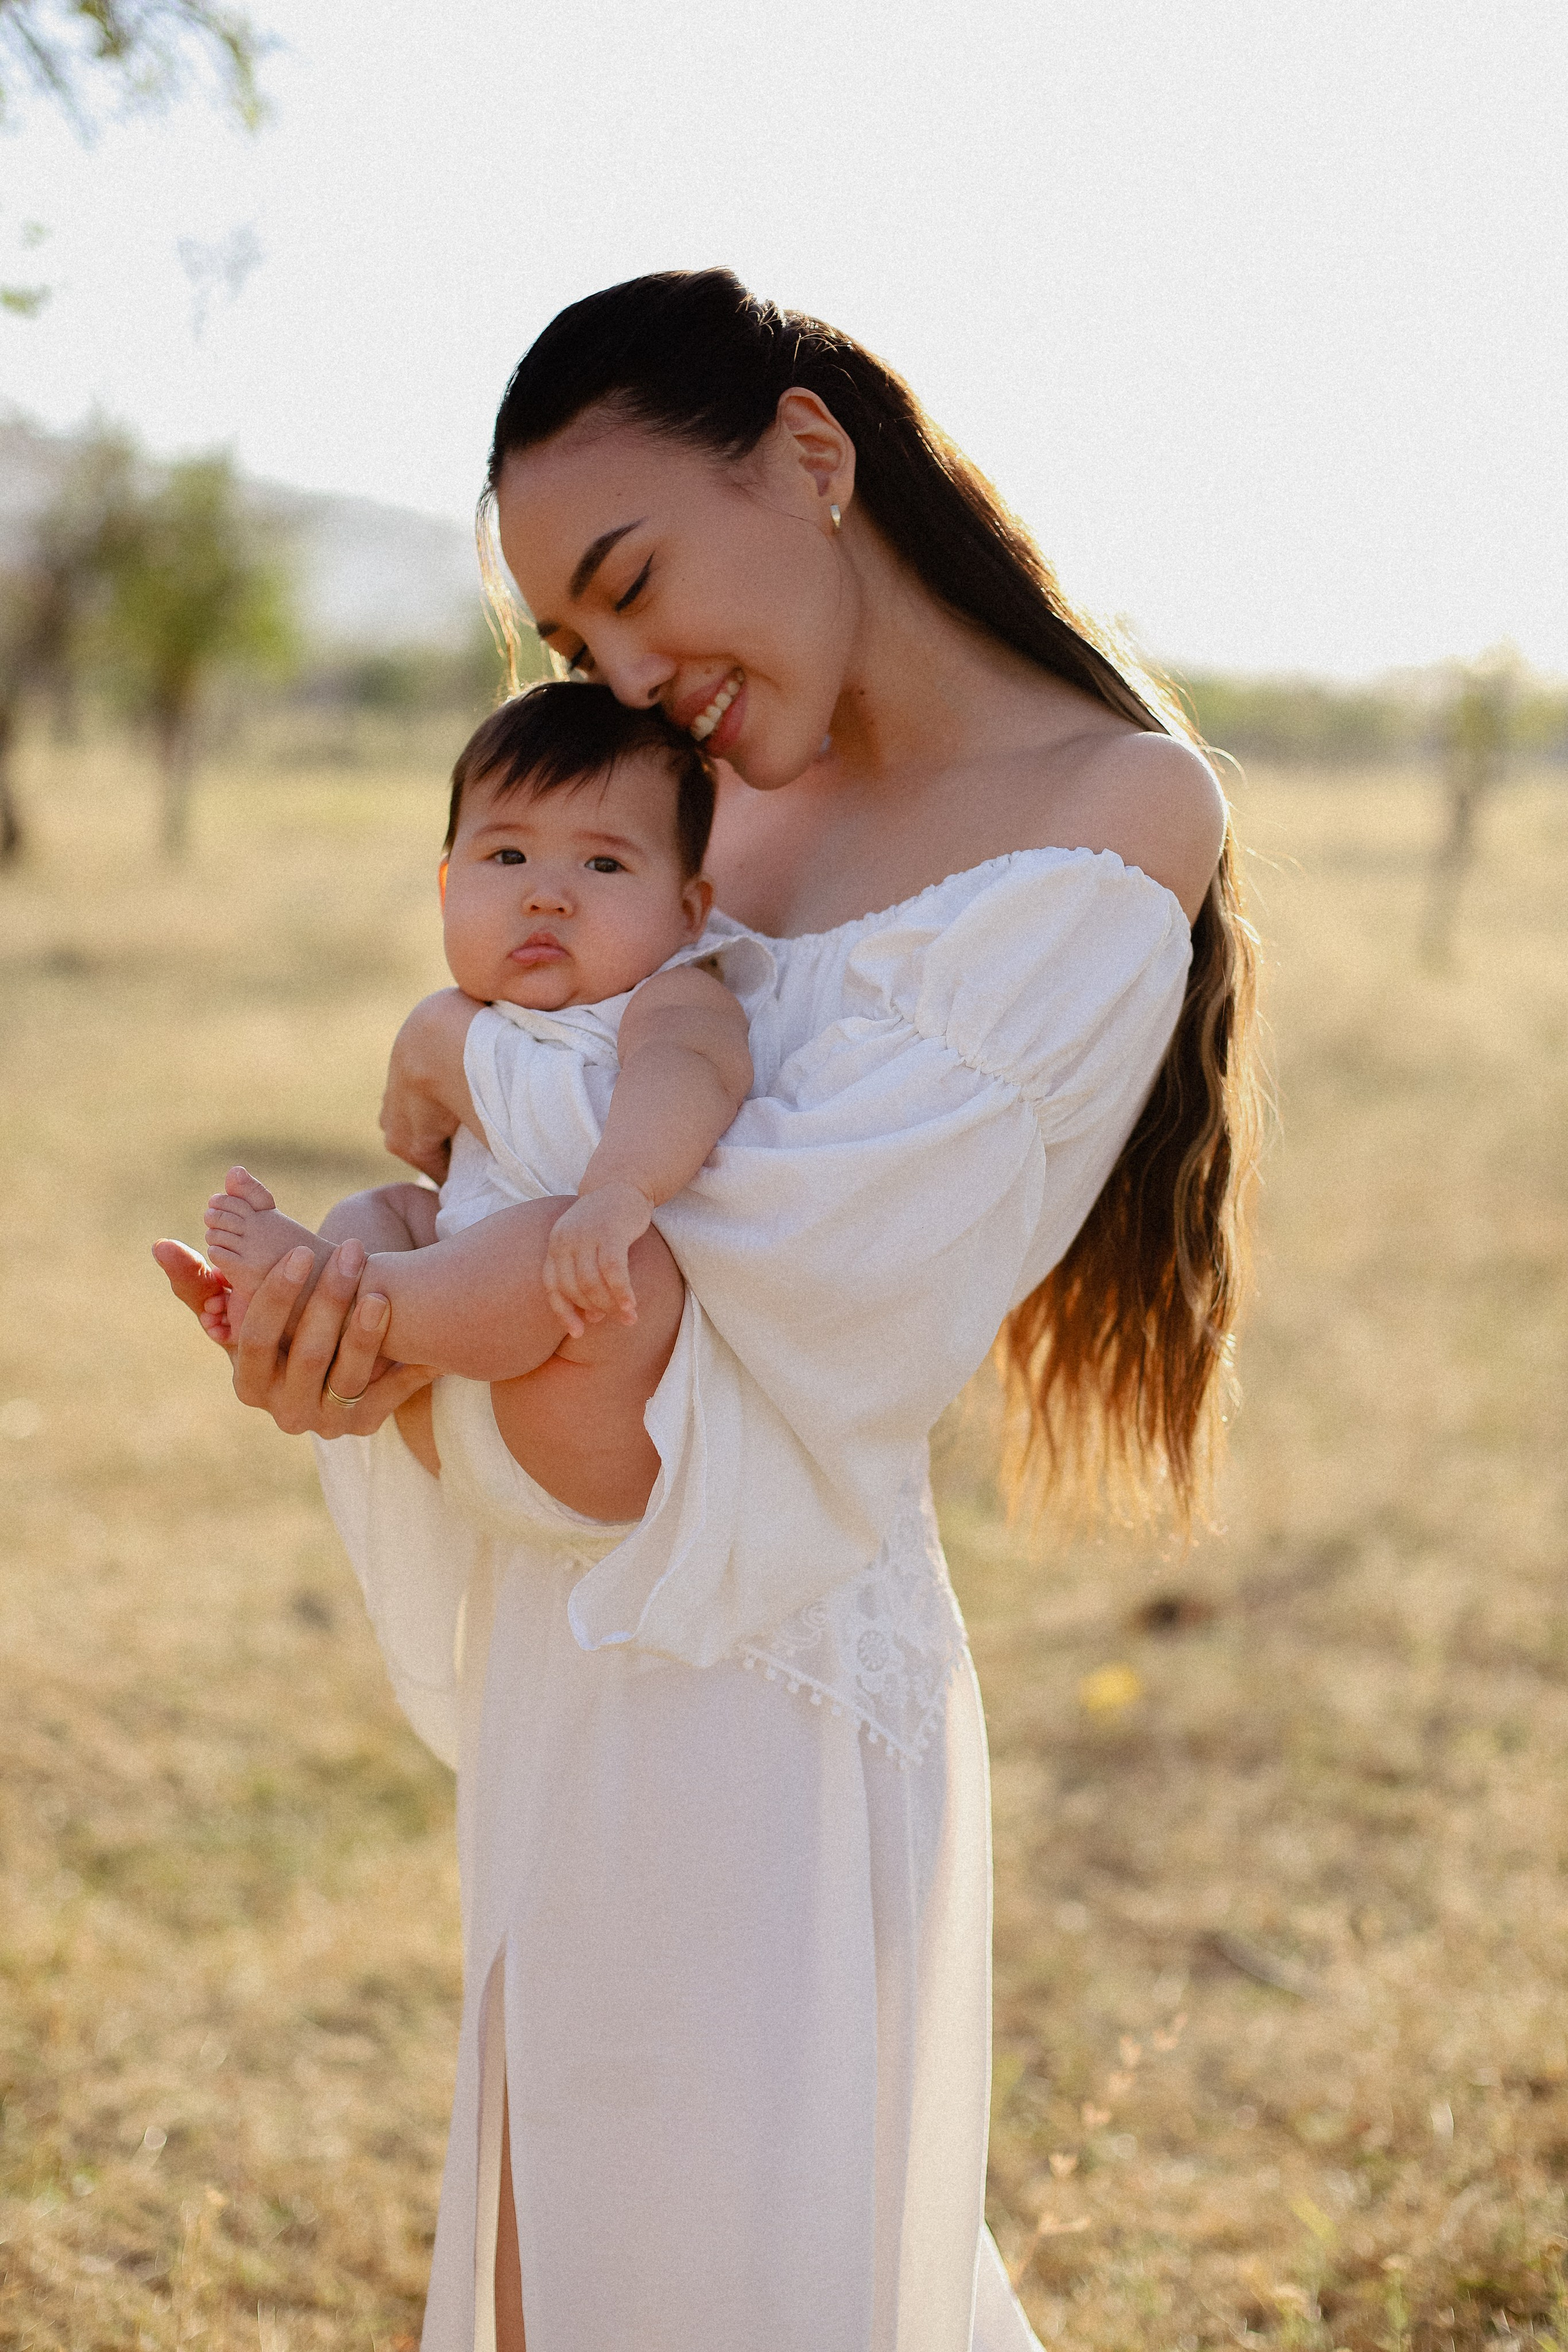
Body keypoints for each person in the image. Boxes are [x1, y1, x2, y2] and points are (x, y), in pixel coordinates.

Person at [155, 268, 1259, 2352]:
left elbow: (792, 1284)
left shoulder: (1114, 810)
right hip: (565, 1641)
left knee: (725, 2268)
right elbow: (550, 1199)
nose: (636, 676)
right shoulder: (699, 811)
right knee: (546, 2253)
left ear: (810, 457)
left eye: (637, 582)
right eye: (580, 646)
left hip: (766, 1660)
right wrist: (375, 1313)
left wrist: (442, 1140)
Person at [198, 681, 756, 1509]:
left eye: (603, 864)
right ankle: (313, 1315)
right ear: (447, 886)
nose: (546, 895)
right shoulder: (480, 1019)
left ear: (687, 912)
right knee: (385, 1209)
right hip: (441, 1405)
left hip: (589, 1426)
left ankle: (346, 1298)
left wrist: (619, 1192)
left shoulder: (674, 996)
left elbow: (687, 1077)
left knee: (590, 1245)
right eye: (507, 858)